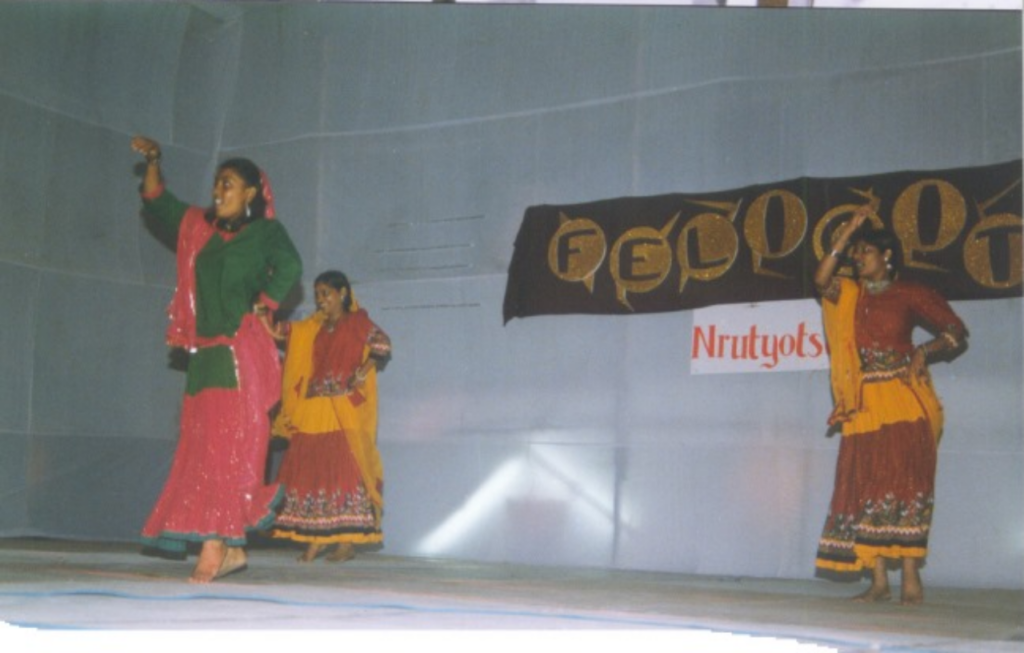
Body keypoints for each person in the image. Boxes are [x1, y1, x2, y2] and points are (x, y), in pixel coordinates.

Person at [131, 135, 303, 583]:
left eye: (228, 184)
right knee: (202, 451)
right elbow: (157, 200)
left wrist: (265, 304)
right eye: (216, 183)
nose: (218, 190)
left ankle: (214, 549)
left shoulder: (266, 232)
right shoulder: (198, 229)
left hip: (238, 354)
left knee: (229, 450)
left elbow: (290, 266)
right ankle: (228, 550)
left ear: (250, 192)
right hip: (203, 358)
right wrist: (153, 162)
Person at [812, 209, 967, 606]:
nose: (857, 258)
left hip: (902, 398)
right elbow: (821, 279)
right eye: (856, 253)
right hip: (863, 403)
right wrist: (846, 234)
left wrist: (925, 350)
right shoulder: (849, 292)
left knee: (904, 484)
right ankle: (879, 582)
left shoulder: (909, 292)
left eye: (865, 252)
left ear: (887, 257)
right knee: (866, 486)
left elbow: (955, 332)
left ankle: (911, 581)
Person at [268, 270, 391, 563]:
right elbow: (285, 333)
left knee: (345, 471)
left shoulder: (357, 322)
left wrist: (361, 371)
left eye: (326, 293)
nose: (321, 300)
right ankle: (315, 539)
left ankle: (346, 542)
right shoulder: (315, 327)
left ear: (343, 293)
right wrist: (261, 313)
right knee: (310, 472)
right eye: (318, 295)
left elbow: (383, 344)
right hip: (314, 407)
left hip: (342, 409)